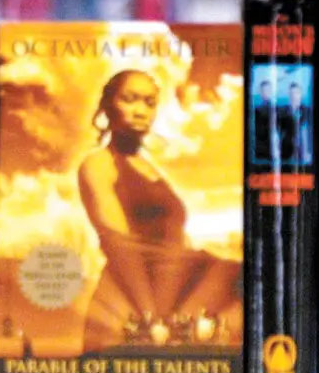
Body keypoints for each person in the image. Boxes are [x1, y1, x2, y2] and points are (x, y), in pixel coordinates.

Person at [77, 69, 237, 351]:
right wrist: (151, 318)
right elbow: (119, 245)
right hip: (133, 306)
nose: (141, 111)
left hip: (170, 305)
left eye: (150, 103)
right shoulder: (99, 164)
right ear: (107, 105)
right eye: (130, 100)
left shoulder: (151, 168)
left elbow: (174, 237)